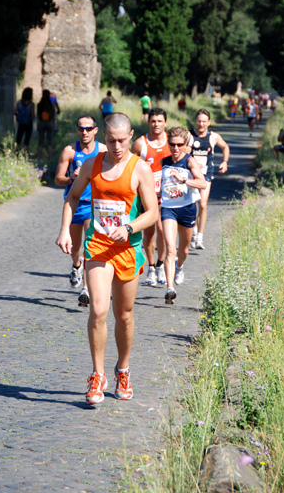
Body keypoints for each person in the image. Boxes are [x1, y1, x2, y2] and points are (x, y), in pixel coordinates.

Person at [56, 113, 158, 404]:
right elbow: (72, 196)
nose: (116, 147)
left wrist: (128, 228)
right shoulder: (92, 164)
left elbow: (151, 212)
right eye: (111, 141)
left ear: (131, 136)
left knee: (123, 315)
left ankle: (122, 369)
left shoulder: (140, 169)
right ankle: (97, 375)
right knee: (98, 311)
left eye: (122, 141)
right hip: (98, 247)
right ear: (105, 138)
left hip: (127, 249)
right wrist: (65, 229)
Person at [55, 116, 107, 305]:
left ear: (95, 130)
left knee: (89, 246)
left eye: (88, 128)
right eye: (81, 129)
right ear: (77, 131)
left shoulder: (103, 151)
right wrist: (70, 178)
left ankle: (85, 289)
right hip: (74, 203)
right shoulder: (70, 151)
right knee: (75, 248)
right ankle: (76, 266)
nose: (84, 132)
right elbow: (57, 179)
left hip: (94, 205)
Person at [160, 126, 206, 304]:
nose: (176, 148)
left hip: (187, 208)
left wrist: (184, 180)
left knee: (183, 250)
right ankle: (169, 288)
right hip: (168, 208)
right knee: (170, 249)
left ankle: (180, 267)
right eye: (172, 144)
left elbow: (202, 184)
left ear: (185, 144)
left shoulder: (189, 161)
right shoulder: (163, 162)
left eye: (179, 145)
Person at [131, 108, 171, 286]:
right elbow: (130, 167)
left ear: (165, 123)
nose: (156, 124)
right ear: (148, 123)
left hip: (168, 196)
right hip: (147, 196)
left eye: (160, 121)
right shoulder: (141, 143)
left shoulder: (173, 142)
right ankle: (151, 267)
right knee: (149, 234)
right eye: (153, 121)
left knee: (163, 231)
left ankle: (161, 264)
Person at [188, 109, 230, 250]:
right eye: (199, 121)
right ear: (195, 121)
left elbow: (225, 147)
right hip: (190, 175)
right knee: (192, 205)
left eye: (204, 121)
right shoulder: (189, 135)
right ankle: (193, 233)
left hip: (206, 174)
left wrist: (225, 162)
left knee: (203, 204)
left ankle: (200, 236)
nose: (201, 124)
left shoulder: (214, 137)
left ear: (209, 123)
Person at [14, 87, 35, 155]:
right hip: (28, 123)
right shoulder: (31, 104)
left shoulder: (19, 102)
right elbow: (32, 116)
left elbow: (14, 112)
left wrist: (19, 115)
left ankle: (16, 153)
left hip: (21, 123)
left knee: (18, 139)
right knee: (26, 140)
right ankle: (24, 155)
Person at [37, 89, 56, 161]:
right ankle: (50, 157)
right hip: (49, 123)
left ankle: (39, 157)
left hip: (42, 122)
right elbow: (54, 115)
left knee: (40, 141)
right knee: (50, 141)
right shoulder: (51, 105)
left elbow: (38, 115)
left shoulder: (39, 105)